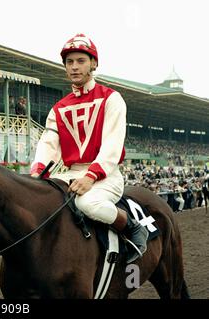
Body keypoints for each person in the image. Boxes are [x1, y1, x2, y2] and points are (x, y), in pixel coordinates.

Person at [30, 34, 148, 264]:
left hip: (105, 174)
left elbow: (112, 144)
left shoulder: (112, 99)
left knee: (87, 203)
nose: (74, 67)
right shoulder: (58, 108)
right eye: (69, 62)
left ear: (93, 63)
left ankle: (133, 228)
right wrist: (37, 171)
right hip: (69, 173)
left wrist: (91, 176)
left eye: (80, 61)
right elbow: (48, 143)